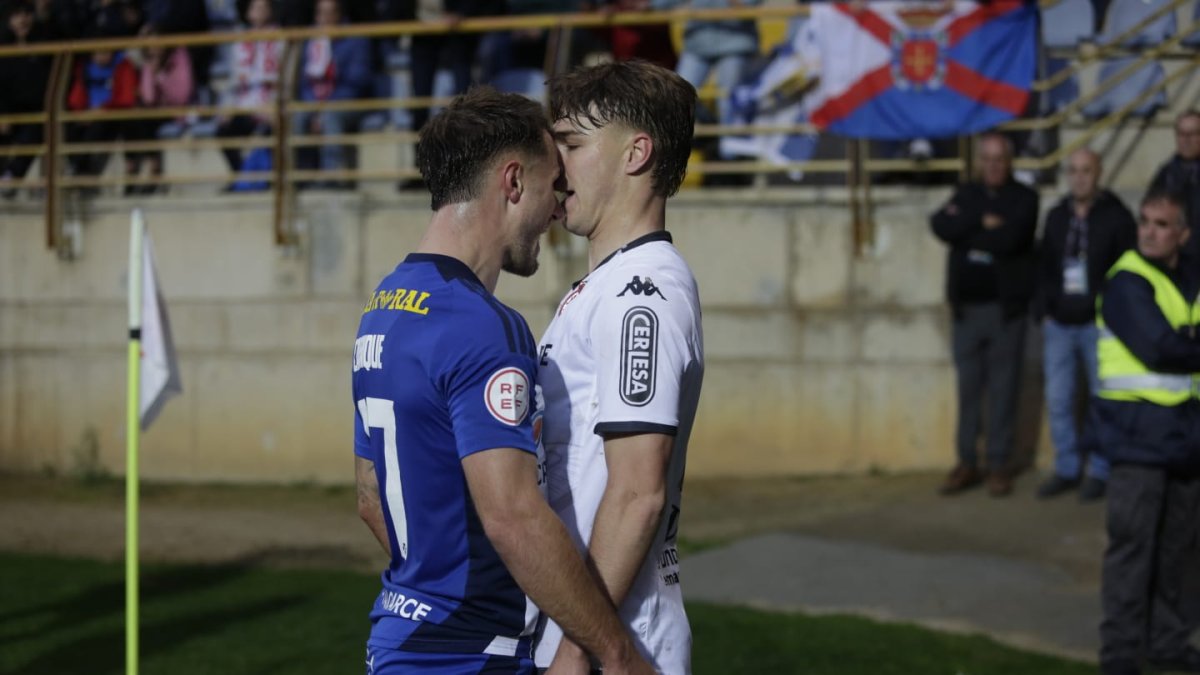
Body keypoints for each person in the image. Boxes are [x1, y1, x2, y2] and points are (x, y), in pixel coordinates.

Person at [351, 87, 653, 675]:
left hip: (400, 642)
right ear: (513, 183)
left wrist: (438, 580)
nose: (556, 211)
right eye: (551, 188)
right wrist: (614, 653)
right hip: (467, 655)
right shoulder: (483, 325)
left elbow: (370, 496)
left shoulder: (383, 308)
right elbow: (513, 516)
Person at [534, 60, 705, 674]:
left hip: (618, 644)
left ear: (636, 152)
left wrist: (578, 650)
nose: (554, 166)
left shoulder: (642, 295)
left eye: (573, 146)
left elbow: (637, 491)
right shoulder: (606, 286)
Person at [1095, 189, 1200, 675]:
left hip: (1186, 438)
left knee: (1180, 551)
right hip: (1138, 437)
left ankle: (1168, 642)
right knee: (1132, 549)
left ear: (1183, 234)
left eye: (1162, 225)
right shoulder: (1127, 282)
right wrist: (1186, 343)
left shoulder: (1190, 278)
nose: (1149, 232)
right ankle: (1120, 653)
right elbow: (1161, 349)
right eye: (1145, 222)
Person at [930, 133, 1039, 497]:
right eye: (987, 159)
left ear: (1009, 162)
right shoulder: (967, 195)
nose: (993, 165)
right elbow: (940, 226)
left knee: (1004, 391)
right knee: (968, 390)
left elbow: (1012, 239)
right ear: (980, 162)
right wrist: (980, 220)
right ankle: (966, 462)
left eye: (1000, 159)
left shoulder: (1025, 198)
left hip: (1004, 312)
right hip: (966, 312)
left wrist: (968, 230)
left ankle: (998, 464)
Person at [1035, 149, 1136, 501]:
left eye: (1086, 171)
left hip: (1098, 325)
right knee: (1058, 399)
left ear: (1099, 173)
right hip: (1059, 325)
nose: (1079, 177)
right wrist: (1045, 310)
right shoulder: (1056, 216)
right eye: (1073, 171)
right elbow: (1044, 265)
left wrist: (1112, 313)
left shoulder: (1117, 216)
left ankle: (1101, 470)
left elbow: (1127, 270)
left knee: (1101, 399)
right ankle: (1067, 467)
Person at [295, 0, 372, 188]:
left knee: (331, 116)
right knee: (297, 116)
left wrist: (323, 108)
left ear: (340, 15)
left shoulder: (356, 40)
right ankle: (300, 176)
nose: (326, 19)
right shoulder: (310, 41)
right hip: (317, 104)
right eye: (321, 14)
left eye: (330, 13)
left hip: (350, 104)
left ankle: (332, 177)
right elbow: (304, 85)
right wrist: (315, 108)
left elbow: (357, 83)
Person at [216, 0, 283, 188]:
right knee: (223, 131)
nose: (259, 12)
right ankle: (240, 175)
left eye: (264, 7)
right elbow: (233, 82)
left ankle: (271, 179)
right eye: (255, 7)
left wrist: (275, 105)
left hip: (270, 103)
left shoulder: (280, 38)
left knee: (275, 128)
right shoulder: (240, 42)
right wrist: (227, 107)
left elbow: (284, 79)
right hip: (245, 104)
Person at [132, 27, 194, 196]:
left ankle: (154, 169)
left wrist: (161, 77)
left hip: (178, 111)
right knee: (136, 116)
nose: (153, 48)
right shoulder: (149, 62)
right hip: (157, 112)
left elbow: (181, 95)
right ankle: (149, 166)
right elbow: (149, 98)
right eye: (149, 45)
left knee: (145, 118)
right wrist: (151, 71)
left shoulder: (179, 57)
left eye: (156, 42)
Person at [0, 1, 52, 198]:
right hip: (8, 109)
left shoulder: (45, 42)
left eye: (26, 14)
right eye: (17, 15)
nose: (22, 20)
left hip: (36, 109)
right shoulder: (4, 47)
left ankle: (11, 177)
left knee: (35, 130)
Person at [1147, 110, 1200, 257]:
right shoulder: (1165, 175)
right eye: (1181, 134)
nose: (1186, 140)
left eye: (1193, 134)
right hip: (1174, 257)